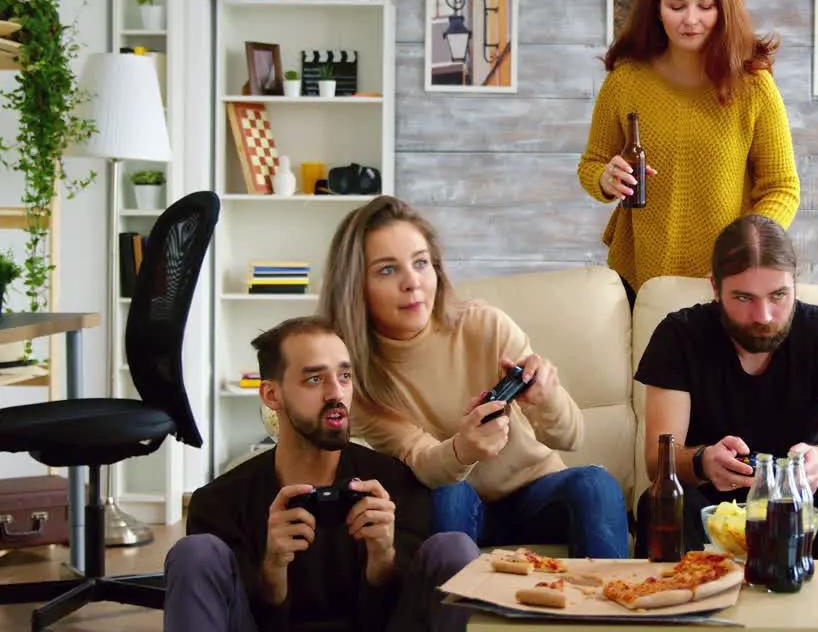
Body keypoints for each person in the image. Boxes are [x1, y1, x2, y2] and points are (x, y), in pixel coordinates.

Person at [317, 195, 630, 559]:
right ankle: (450, 616)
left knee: (596, 484)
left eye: (421, 263)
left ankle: (609, 615)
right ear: (356, 286)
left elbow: (573, 436)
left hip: (538, 491)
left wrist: (548, 398)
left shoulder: (483, 324)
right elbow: (422, 461)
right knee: (449, 494)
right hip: (453, 501)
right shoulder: (361, 379)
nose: (412, 283)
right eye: (388, 270)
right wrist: (463, 450)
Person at [632, 214, 818, 631]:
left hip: (800, 504)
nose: (764, 315)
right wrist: (701, 461)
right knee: (660, 502)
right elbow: (659, 463)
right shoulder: (679, 336)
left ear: (795, 283)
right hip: (713, 503)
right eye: (743, 298)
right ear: (715, 287)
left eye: (779, 296)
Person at [163, 316, 479, 632]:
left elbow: (392, 616)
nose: (336, 393)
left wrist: (382, 557)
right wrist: (273, 568)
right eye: (314, 380)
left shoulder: (396, 485)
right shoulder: (219, 503)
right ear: (272, 395)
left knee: (454, 547)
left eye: (344, 376)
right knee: (195, 553)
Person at [577, 0, 801, 307]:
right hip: (637, 277)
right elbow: (591, 164)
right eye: (677, 6)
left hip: (726, 278)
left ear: (724, 9)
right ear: (657, 11)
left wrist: (744, 247)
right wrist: (605, 178)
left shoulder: (754, 86)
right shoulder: (625, 81)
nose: (691, 19)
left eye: (706, 6)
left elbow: (782, 188)